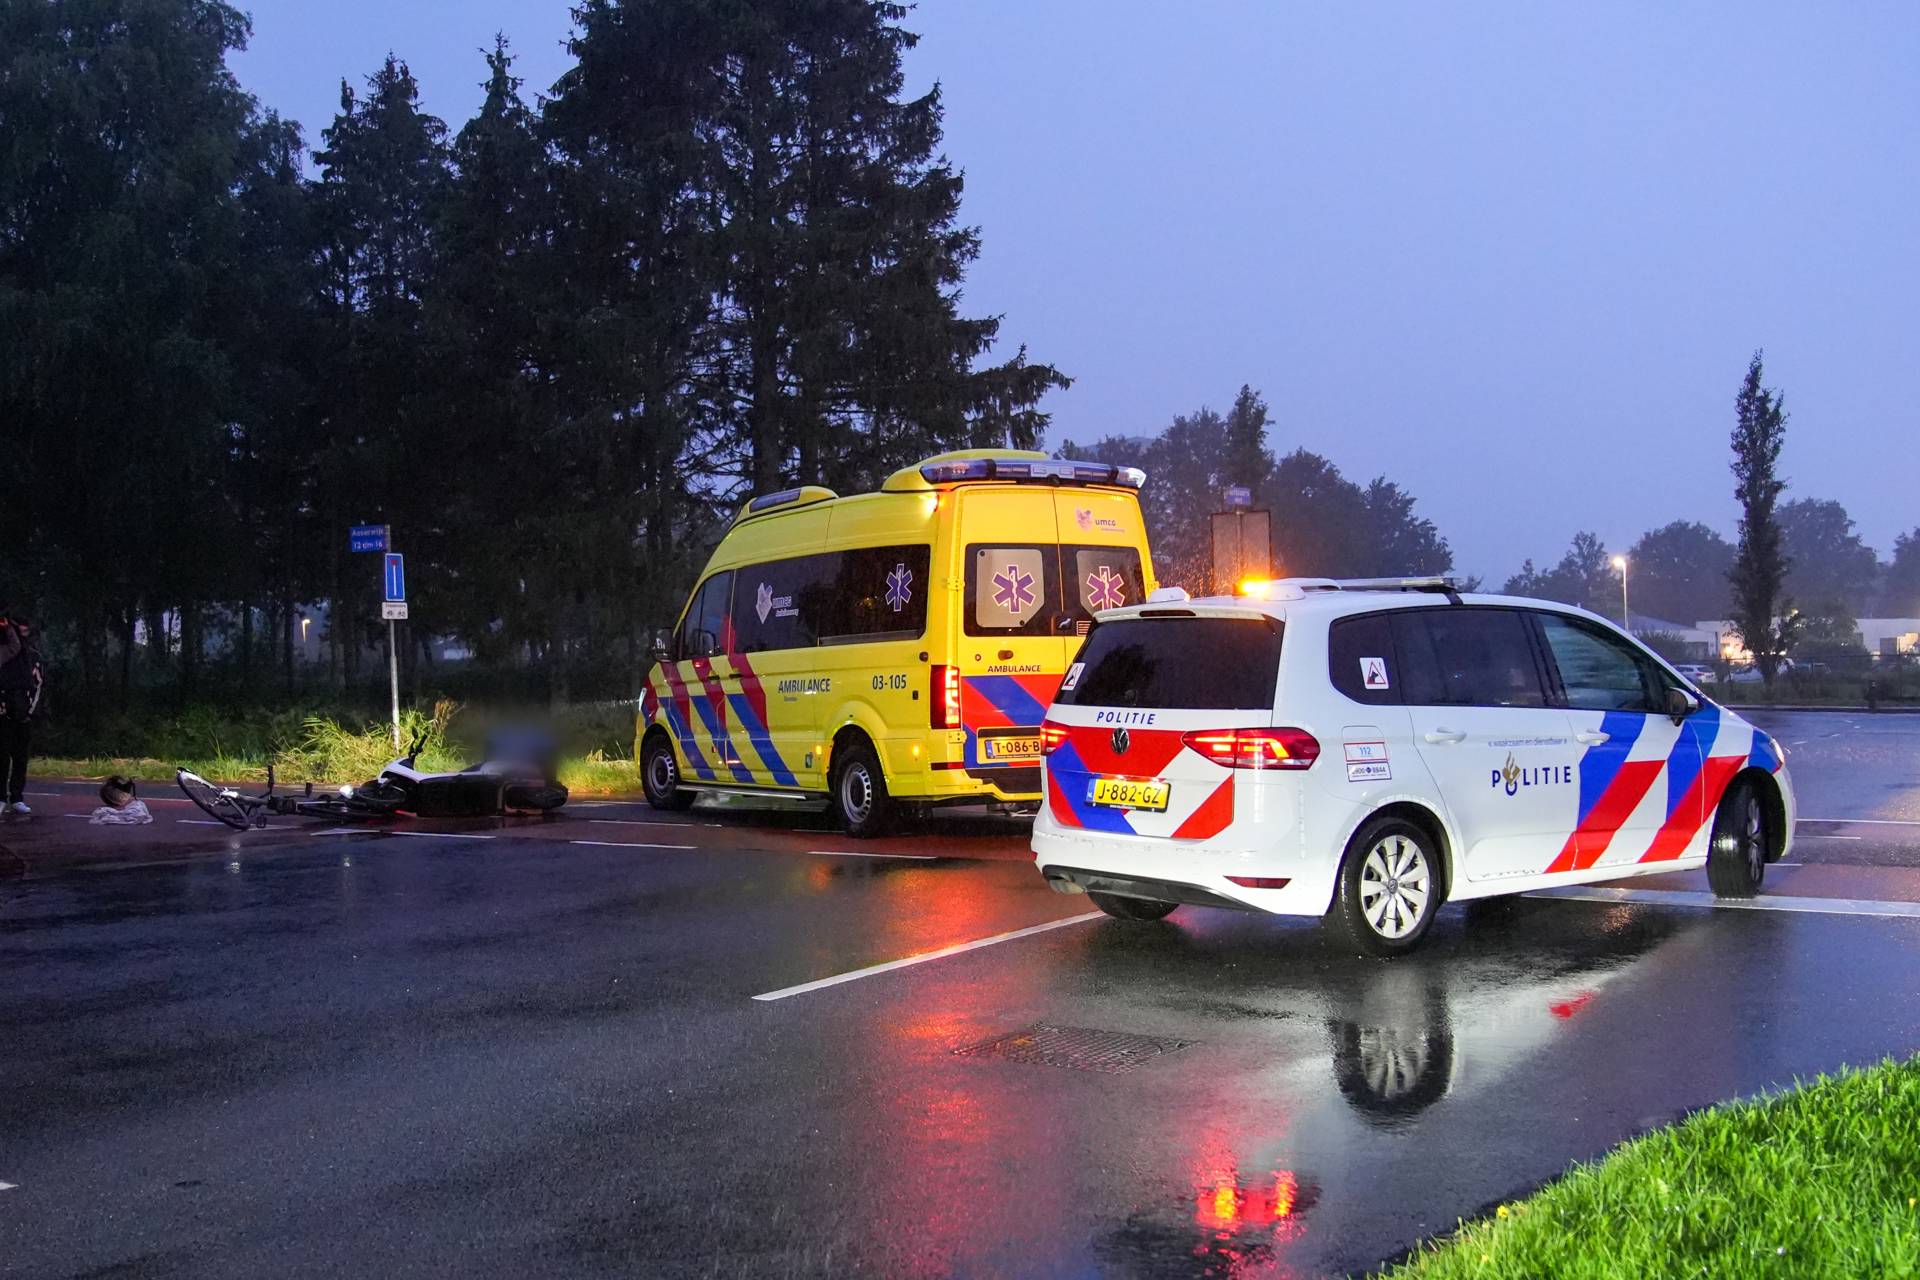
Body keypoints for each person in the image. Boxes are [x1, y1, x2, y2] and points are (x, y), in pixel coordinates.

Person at [0, 606, 46, 815]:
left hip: (23, 712)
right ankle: (1, 797)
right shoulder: (5, 653)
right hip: (3, 713)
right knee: (2, 757)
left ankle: (17, 797)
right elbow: (13, 645)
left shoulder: (32, 657)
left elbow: (38, 685)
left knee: (20, 757)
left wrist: (30, 711)